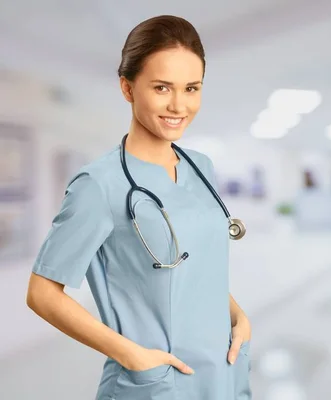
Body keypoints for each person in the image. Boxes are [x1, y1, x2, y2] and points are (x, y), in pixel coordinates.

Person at [25, 15, 252, 400]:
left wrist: (237, 316)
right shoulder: (99, 185)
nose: (179, 105)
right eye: (162, 87)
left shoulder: (201, 166)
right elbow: (42, 292)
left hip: (221, 373)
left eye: (191, 88)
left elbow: (195, 263)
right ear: (128, 88)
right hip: (154, 384)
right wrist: (128, 354)